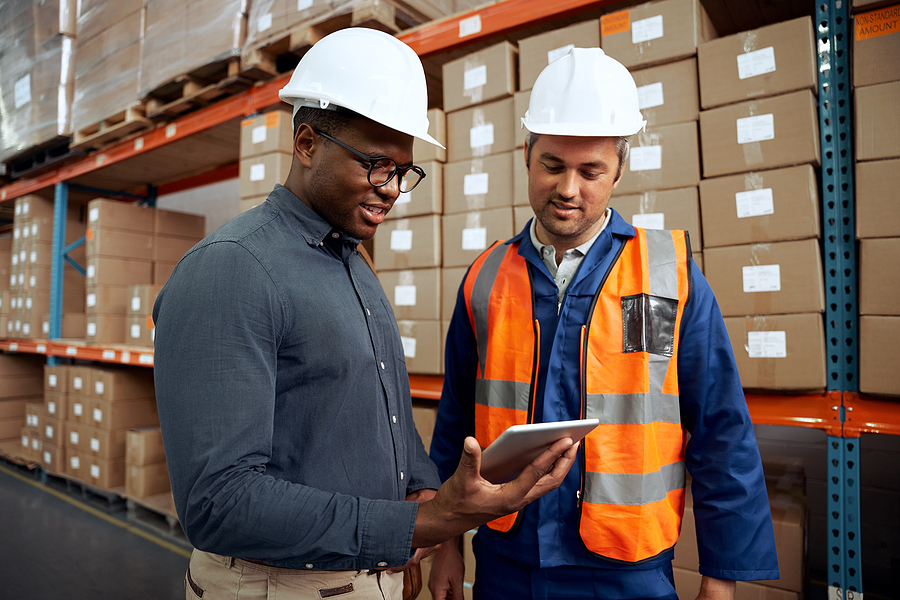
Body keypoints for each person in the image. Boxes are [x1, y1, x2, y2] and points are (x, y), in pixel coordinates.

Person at [152, 28, 579, 600]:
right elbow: (218, 504)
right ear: (306, 143)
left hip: (364, 573)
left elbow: (380, 417)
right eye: (377, 166)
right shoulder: (231, 270)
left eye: (403, 172)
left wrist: (424, 490)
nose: (392, 190)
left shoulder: (352, 263)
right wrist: (421, 525)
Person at [428, 47, 780, 600]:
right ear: (526, 155)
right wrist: (445, 539)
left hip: (627, 569)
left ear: (620, 169)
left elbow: (721, 428)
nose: (569, 189)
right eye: (552, 166)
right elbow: (455, 423)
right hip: (506, 560)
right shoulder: (486, 276)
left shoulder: (667, 274)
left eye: (591, 171)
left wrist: (721, 576)